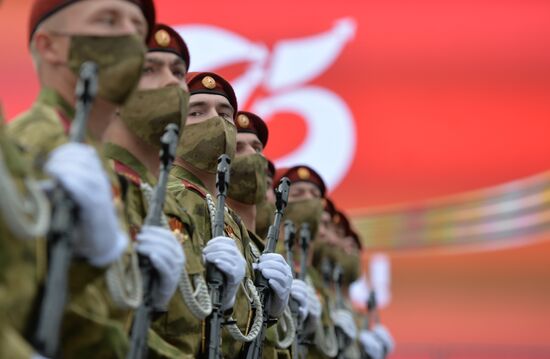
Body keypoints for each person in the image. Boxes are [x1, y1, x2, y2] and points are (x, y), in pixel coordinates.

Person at [8, 1, 184, 356]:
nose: (130, 39)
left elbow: (102, 317)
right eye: (108, 20)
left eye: (137, 30)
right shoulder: (32, 146)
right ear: (50, 46)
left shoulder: (91, 158)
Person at [166, 72, 292, 357]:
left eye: (225, 114)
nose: (216, 121)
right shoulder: (170, 195)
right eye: (197, 112)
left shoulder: (230, 219)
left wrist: (269, 314)